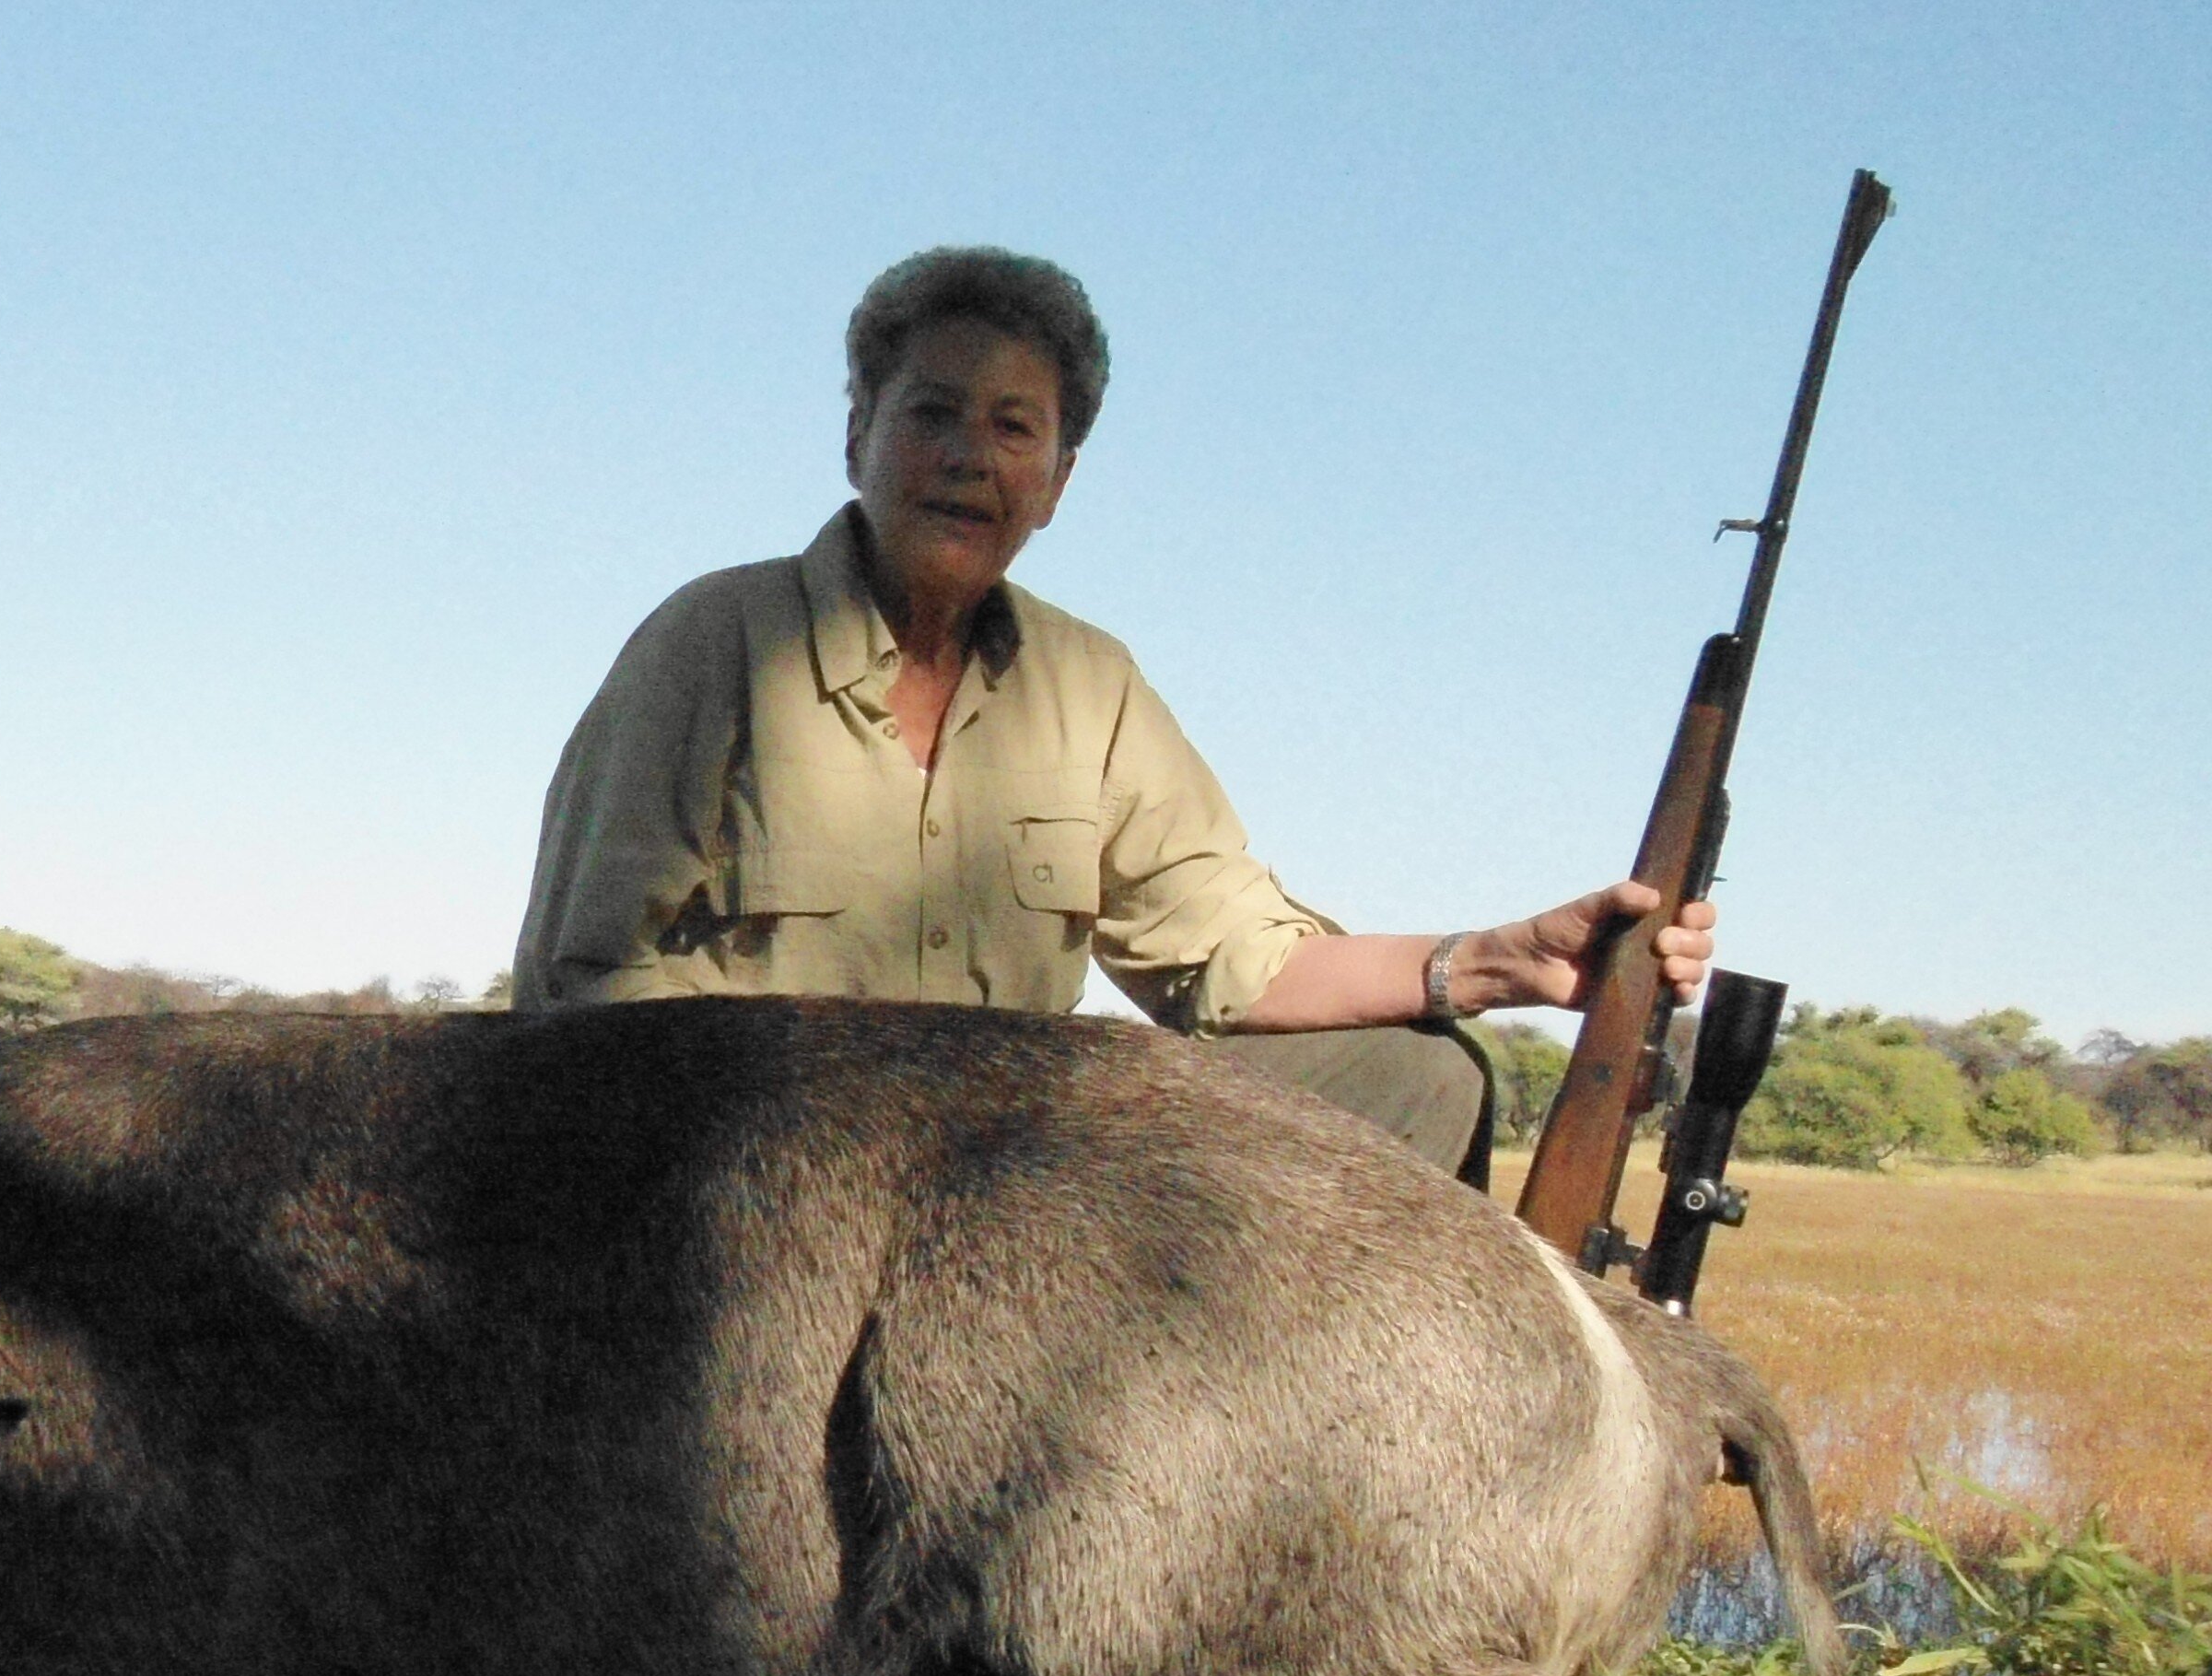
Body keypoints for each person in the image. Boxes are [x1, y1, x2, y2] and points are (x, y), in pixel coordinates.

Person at [509, 247, 1717, 1184]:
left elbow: (1235, 959)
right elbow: (580, 987)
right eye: (930, 413)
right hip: (766, 1179)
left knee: (1420, 1076)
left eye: (1014, 426)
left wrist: (1499, 962)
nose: (970, 457)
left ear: (1058, 481)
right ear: (856, 438)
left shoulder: (1091, 687)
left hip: (1006, 1192)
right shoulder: (715, 640)